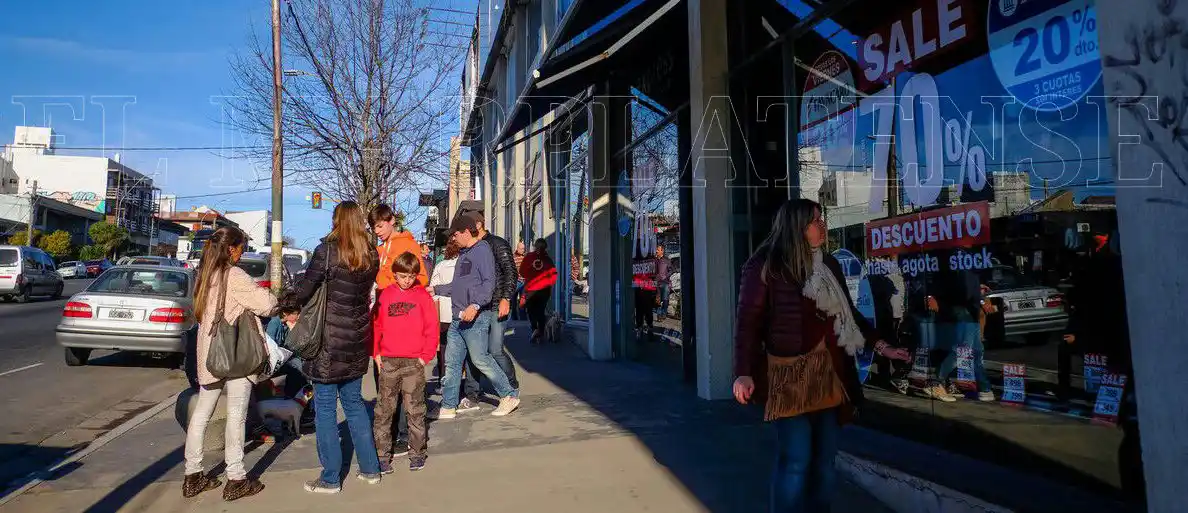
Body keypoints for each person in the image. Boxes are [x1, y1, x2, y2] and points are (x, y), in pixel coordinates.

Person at [731, 199, 909, 513]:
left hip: (830, 374)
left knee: (825, 463)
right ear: (797, 227)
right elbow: (748, 323)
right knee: (796, 461)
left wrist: (881, 345)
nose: (822, 226)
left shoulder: (829, 265)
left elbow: (849, 314)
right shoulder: (765, 266)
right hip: (790, 377)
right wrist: (743, 371)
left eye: (821, 219)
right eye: (815, 220)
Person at [294, 201, 384, 494]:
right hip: (357, 338)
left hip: (328, 340)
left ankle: (331, 478)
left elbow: (304, 291)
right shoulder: (371, 254)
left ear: (336, 221)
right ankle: (371, 469)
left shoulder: (327, 252)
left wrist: (284, 301)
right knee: (355, 404)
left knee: (325, 408)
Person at [184, 226, 276, 501]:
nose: (242, 253)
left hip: (209, 353)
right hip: (235, 354)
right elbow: (267, 304)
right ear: (232, 249)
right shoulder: (234, 275)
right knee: (236, 415)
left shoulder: (204, 275)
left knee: (202, 412)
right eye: (242, 248)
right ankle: (236, 478)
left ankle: (192, 475)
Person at [432, 214, 520, 419]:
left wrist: (476, 304)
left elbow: (488, 284)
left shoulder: (482, 250)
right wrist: (435, 288)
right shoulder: (464, 254)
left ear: (465, 231)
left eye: (455, 234)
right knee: (453, 364)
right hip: (458, 318)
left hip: (476, 317)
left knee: (481, 358)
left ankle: (508, 395)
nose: (452, 239)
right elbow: (458, 286)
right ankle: (448, 405)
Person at [373, 252, 438, 473]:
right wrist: (376, 353)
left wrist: (424, 357)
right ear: (394, 275)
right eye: (402, 276)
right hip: (389, 360)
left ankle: (417, 453)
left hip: (413, 362)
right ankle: (382, 455)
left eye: (411, 276)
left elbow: (432, 328)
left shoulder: (422, 296)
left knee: (415, 410)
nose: (407, 280)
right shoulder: (385, 295)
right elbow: (377, 325)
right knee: (385, 410)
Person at [470, 213, 520, 389]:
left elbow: (511, 272)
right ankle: (478, 390)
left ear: (479, 224)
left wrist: (506, 298)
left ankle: (512, 384)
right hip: (479, 305)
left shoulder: (497, 243)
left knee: (495, 349)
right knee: (478, 350)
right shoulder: (472, 246)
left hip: (498, 303)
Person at [370, 205, 428, 291]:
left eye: (380, 226)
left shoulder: (409, 244)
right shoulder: (379, 250)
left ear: (392, 220)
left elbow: (422, 278)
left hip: (400, 301)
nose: (376, 231)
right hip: (381, 302)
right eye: (373, 228)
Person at [519, 238, 558, 343]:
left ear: (535, 246)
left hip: (531, 289)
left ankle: (535, 329)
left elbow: (522, 272)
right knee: (540, 311)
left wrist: (531, 272)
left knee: (531, 311)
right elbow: (553, 276)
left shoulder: (529, 257)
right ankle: (539, 332)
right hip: (543, 290)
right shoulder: (547, 259)